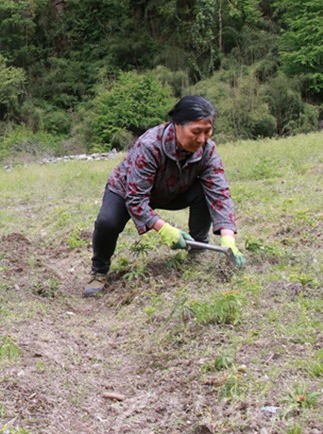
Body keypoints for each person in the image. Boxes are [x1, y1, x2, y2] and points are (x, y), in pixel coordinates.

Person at [85, 95, 245, 297]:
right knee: (107, 222)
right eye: (196, 132)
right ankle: (99, 271)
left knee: (206, 191)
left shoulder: (207, 150)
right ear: (177, 125)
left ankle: (198, 252)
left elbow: (219, 193)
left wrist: (228, 238)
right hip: (129, 190)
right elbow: (136, 199)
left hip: (174, 190)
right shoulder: (150, 145)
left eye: (207, 132)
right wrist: (165, 229)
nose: (202, 139)